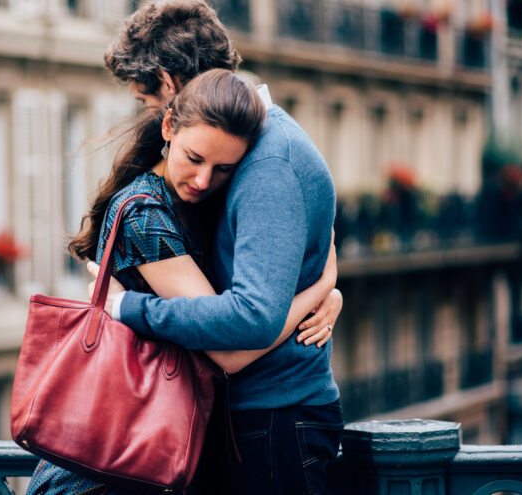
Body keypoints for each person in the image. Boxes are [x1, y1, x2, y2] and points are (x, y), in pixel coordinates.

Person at [27, 69, 341, 495]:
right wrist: (320, 286)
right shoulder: (146, 215)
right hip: (113, 464)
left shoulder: (193, 201)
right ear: (169, 126)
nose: (204, 179)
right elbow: (231, 352)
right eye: (194, 158)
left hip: (151, 448)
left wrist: (326, 291)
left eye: (223, 168)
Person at [95, 0, 344, 495]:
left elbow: (242, 332)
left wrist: (127, 308)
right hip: (251, 418)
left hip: (273, 421)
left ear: (168, 86)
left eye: (146, 102)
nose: (150, 118)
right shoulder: (254, 150)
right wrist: (322, 287)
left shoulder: (268, 162)